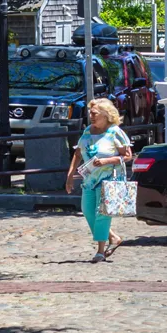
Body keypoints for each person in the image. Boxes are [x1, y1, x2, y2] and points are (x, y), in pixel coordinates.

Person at [67, 99, 133, 263]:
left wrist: (107, 161)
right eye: (90, 113)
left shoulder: (114, 132)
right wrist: (69, 176)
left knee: (101, 213)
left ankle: (100, 251)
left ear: (105, 115)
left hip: (109, 179)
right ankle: (113, 238)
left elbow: (128, 155)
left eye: (94, 113)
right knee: (88, 211)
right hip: (89, 179)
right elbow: (78, 153)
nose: (91, 116)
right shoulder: (88, 131)